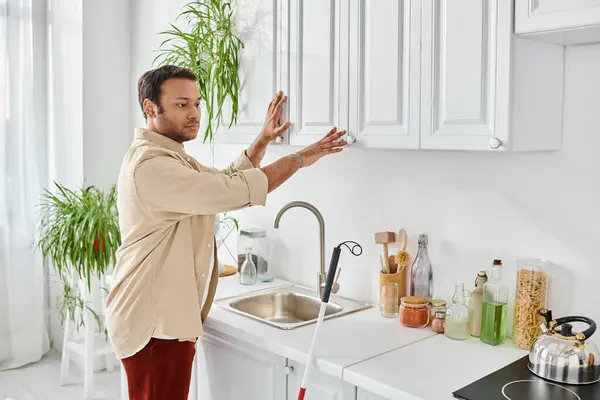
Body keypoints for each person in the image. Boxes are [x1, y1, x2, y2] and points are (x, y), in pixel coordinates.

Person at [105, 65, 347, 399]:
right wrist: (302, 157)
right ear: (150, 108)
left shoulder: (169, 157)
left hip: (161, 318)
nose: (194, 114)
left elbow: (222, 181)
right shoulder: (152, 166)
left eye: (197, 103)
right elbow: (232, 192)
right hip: (154, 325)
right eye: (181, 104)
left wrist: (261, 141)